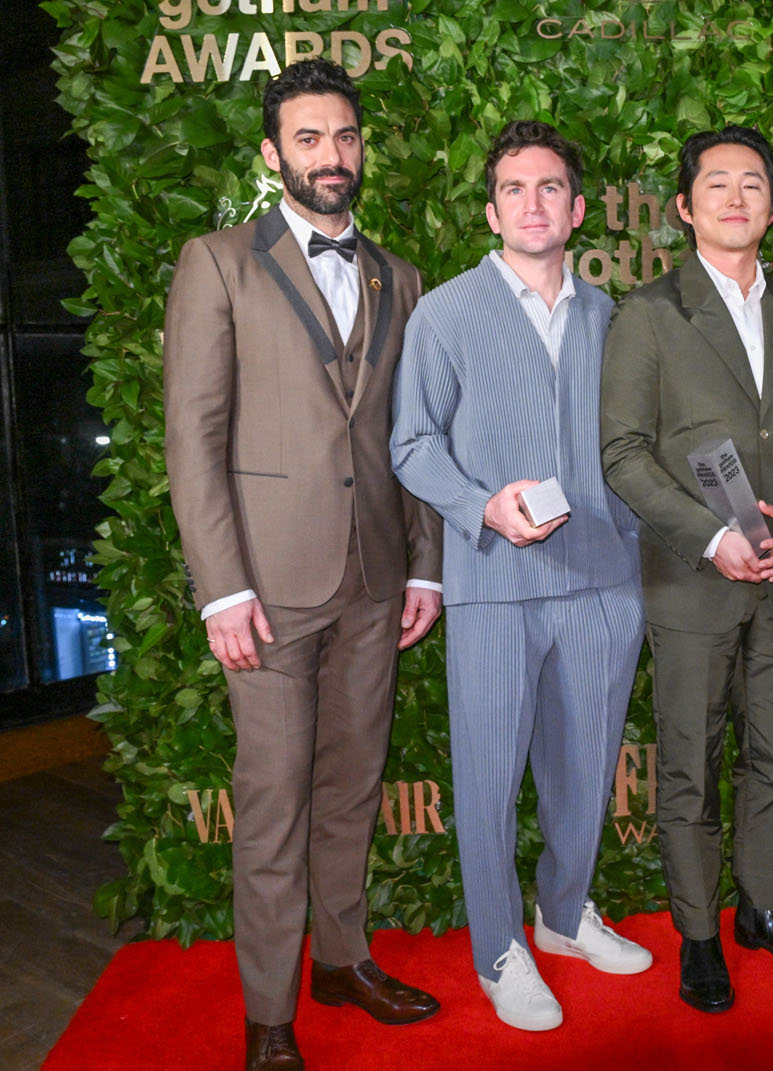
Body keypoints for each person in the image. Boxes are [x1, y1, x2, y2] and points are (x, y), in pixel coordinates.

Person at [162, 59, 444, 1071]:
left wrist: (426, 566)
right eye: (311, 138)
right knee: (275, 800)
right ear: (272, 152)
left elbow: (411, 434)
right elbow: (193, 437)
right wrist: (223, 590)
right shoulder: (219, 263)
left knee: (352, 785)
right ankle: (270, 1014)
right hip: (269, 590)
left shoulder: (398, 277)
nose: (333, 155)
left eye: (346, 136)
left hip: (376, 579)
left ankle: (340, 960)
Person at [390, 120, 651, 1033]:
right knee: (490, 779)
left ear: (577, 211)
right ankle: (500, 947)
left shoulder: (612, 316)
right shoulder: (446, 313)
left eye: (549, 188)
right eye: (513, 188)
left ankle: (564, 914)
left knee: (587, 771)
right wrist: (480, 506)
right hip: (495, 581)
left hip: (602, 582)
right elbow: (411, 443)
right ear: (492, 210)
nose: (532, 203)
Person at [600, 125, 773, 1013]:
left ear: (772, 206)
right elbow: (623, 453)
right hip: (693, 580)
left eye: (753, 184)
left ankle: (761, 906)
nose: (736, 198)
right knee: (691, 766)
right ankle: (699, 933)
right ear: (685, 206)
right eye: (717, 184)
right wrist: (710, 536)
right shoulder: (649, 313)